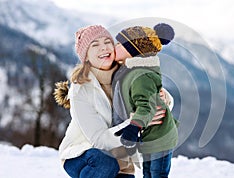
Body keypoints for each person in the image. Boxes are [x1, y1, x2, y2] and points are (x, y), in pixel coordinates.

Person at [54, 25, 172, 178]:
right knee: (105, 165)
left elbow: (157, 97)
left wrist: (163, 98)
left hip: (121, 162)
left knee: (113, 166)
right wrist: (135, 123)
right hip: (83, 154)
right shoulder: (81, 89)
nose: (103, 48)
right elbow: (99, 140)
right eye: (95, 45)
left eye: (107, 42)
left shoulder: (129, 71)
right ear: (86, 56)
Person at [111, 23, 178, 178]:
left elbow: (146, 106)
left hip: (160, 136)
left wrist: (132, 129)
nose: (115, 46)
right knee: (148, 173)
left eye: (120, 44)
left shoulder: (140, 75)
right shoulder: (129, 71)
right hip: (150, 135)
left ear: (133, 51)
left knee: (157, 173)